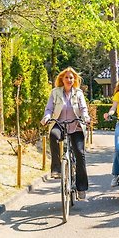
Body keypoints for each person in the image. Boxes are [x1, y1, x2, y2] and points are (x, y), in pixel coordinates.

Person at [40, 67, 91, 200]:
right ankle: (56, 168)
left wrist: (86, 117)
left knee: (79, 153)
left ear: (74, 80)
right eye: (67, 77)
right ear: (62, 79)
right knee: (53, 135)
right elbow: (49, 108)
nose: (69, 79)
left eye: (71, 78)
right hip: (59, 124)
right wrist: (46, 117)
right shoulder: (55, 92)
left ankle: (81, 188)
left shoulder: (78, 93)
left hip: (75, 125)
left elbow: (83, 108)